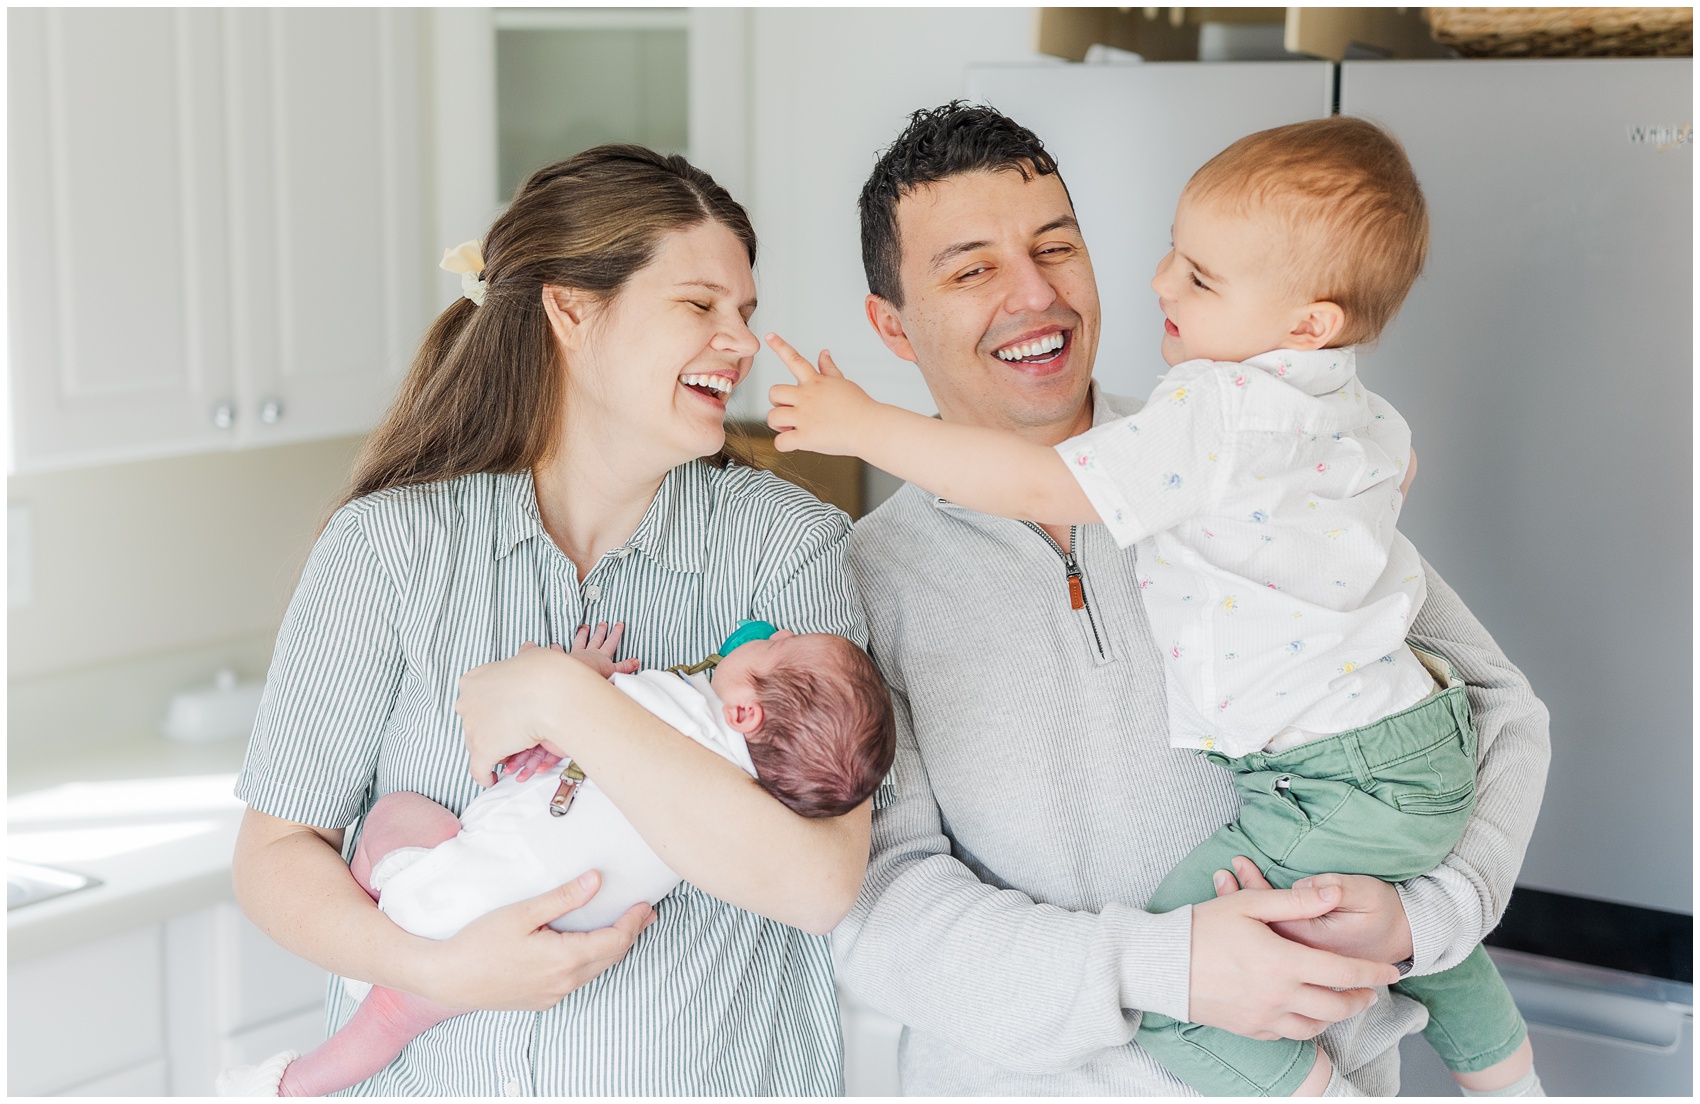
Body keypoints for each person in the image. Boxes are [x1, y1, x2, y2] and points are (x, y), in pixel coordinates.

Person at [768, 116, 1539, 1097]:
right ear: (891, 325)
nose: (1035, 293)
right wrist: (1164, 968)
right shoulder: (858, 583)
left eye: (1055, 246)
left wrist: (1426, 919)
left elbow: (1493, 710)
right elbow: (881, 914)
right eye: (971, 271)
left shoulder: (1244, 457)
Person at [230, 145, 874, 1096]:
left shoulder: (791, 551)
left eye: (744, 311)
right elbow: (277, 857)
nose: (737, 341)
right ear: (571, 309)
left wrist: (562, 701)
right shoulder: (390, 550)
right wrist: (438, 971)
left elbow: (816, 885)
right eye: (699, 306)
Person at [222, 621, 895, 1097]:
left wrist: (579, 671)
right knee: (392, 1019)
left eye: (772, 650)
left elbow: (564, 710)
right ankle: (294, 1085)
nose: (770, 635)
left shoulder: (668, 705)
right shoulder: (747, 809)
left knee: (397, 813)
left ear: (743, 713)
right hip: (530, 948)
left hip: (445, 893)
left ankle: (371, 893)